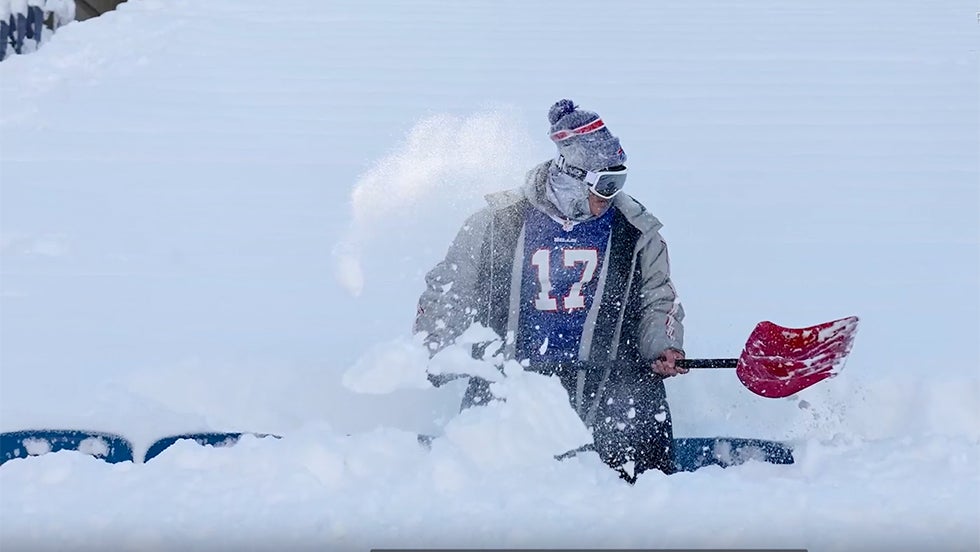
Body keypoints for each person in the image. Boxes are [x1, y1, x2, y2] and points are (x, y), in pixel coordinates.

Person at [413, 99, 687, 482]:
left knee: (638, 482)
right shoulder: (498, 223)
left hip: (611, 385)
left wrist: (663, 347)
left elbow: (658, 299)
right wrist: (435, 346)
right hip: (510, 385)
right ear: (571, 177)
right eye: (605, 184)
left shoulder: (636, 231)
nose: (610, 196)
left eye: (619, 183)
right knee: (490, 489)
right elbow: (451, 289)